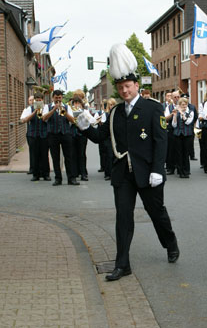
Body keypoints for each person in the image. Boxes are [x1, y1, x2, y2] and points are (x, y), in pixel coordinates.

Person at [77, 43, 179, 281]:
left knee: (157, 214)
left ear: (136, 85)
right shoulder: (114, 113)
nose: (124, 91)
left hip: (147, 173)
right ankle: (122, 264)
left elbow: (160, 141)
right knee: (123, 218)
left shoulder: (152, 108)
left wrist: (158, 170)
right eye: (121, 87)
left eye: (128, 86)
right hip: (123, 174)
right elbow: (100, 136)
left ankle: (170, 241)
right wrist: (82, 126)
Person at [42, 90, 78, 186]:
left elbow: (73, 121)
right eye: (56, 98)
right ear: (53, 98)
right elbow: (44, 118)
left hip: (66, 133)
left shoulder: (67, 107)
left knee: (69, 157)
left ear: (62, 98)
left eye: (60, 98)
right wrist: (54, 109)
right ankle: (58, 178)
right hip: (53, 134)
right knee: (55, 157)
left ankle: (71, 178)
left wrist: (64, 112)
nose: (58, 100)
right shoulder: (47, 107)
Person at [20, 93, 50, 181]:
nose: (38, 101)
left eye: (40, 99)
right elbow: (24, 120)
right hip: (32, 135)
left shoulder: (46, 108)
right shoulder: (29, 109)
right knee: (34, 155)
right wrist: (34, 112)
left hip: (44, 134)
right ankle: (35, 174)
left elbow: (46, 119)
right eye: (36, 99)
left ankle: (46, 174)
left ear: (43, 100)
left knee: (44, 155)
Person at [172, 97, 195, 178]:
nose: (184, 106)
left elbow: (188, 122)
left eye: (185, 105)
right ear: (179, 105)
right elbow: (174, 125)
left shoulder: (191, 112)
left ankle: (186, 171)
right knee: (179, 153)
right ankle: (180, 171)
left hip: (187, 135)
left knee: (186, 153)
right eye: (182, 105)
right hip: (178, 135)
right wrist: (175, 116)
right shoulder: (177, 112)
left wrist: (182, 113)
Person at [70, 91, 89, 181]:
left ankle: (83, 173)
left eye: (78, 103)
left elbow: (88, 121)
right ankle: (75, 172)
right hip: (73, 133)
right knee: (73, 154)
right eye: (75, 103)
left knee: (82, 154)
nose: (76, 105)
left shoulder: (85, 111)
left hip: (82, 134)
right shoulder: (70, 110)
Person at [164, 91, 180, 175]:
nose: (177, 99)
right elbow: (165, 118)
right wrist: (172, 114)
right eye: (175, 97)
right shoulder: (169, 107)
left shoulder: (184, 106)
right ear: (172, 98)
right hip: (171, 130)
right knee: (170, 149)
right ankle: (170, 168)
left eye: (178, 97)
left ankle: (180, 167)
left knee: (180, 149)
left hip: (181, 130)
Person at [25, 95, 35, 175]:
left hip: (41, 133)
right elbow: (23, 119)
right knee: (32, 152)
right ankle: (32, 168)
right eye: (30, 100)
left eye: (33, 100)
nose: (32, 101)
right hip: (30, 133)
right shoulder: (27, 109)